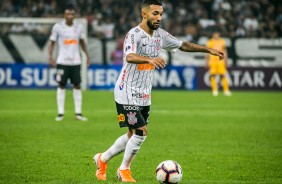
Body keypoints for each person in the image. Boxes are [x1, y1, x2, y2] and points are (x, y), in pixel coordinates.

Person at [93, 0, 225, 182]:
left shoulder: (160, 35)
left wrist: (208, 50)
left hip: (144, 94)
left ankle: (102, 159)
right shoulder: (134, 34)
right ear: (144, 14)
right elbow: (129, 56)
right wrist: (149, 59)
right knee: (141, 132)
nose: (159, 17)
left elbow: (183, 45)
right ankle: (124, 170)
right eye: (155, 13)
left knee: (132, 134)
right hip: (127, 91)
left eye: (161, 14)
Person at [48, 5, 90, 121]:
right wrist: (50, 57)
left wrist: (87, 55)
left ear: (74, 15)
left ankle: (78, 113)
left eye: (72, 14)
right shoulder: (58, 27)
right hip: (62, 61)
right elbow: (52, 43)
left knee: (77, 85)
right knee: (61, 85)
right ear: (64, 15)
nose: (70, 16)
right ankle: (60, 113)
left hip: (76, 61)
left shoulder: (79, 27)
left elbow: (82, 42)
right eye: (68, 14)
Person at [206, 31, 231, 96]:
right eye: (215, 34)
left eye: (217, 34)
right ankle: (215, 90)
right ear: (213, 35)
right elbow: (207, 52)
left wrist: (226, 60)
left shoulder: (222, 41)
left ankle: (226, 90)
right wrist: (206, 61)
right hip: (212, 61)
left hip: (220, 61)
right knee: (212, 75)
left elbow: (225, 51)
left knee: (223, 75)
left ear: (219, 35)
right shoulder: (210, 41)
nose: (216, 35)